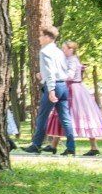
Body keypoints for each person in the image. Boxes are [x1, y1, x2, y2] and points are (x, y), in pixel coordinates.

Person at [45, 41, 102, 155]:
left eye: (64, 48)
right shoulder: (68, 60)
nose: (62, 50)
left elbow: (70, 75)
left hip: (74, 90)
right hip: (68, 88)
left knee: (75, 116)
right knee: (61, 115)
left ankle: (94, 147)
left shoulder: (73, 60)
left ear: (71, 50)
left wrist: (56, 75)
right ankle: (53, 145)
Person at [25, 26, 76, 156]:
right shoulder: (59, 52)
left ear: (47, 37)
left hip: (53, 86)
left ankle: (36, 144)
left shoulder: (45, 52)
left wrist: (51, 89)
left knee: (42, 116)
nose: (39, 38)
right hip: (63, 85)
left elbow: (51, 72)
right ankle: (71, 146)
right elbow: (62, 69)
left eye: (41, 36)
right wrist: (43, 75)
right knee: (65, 117)